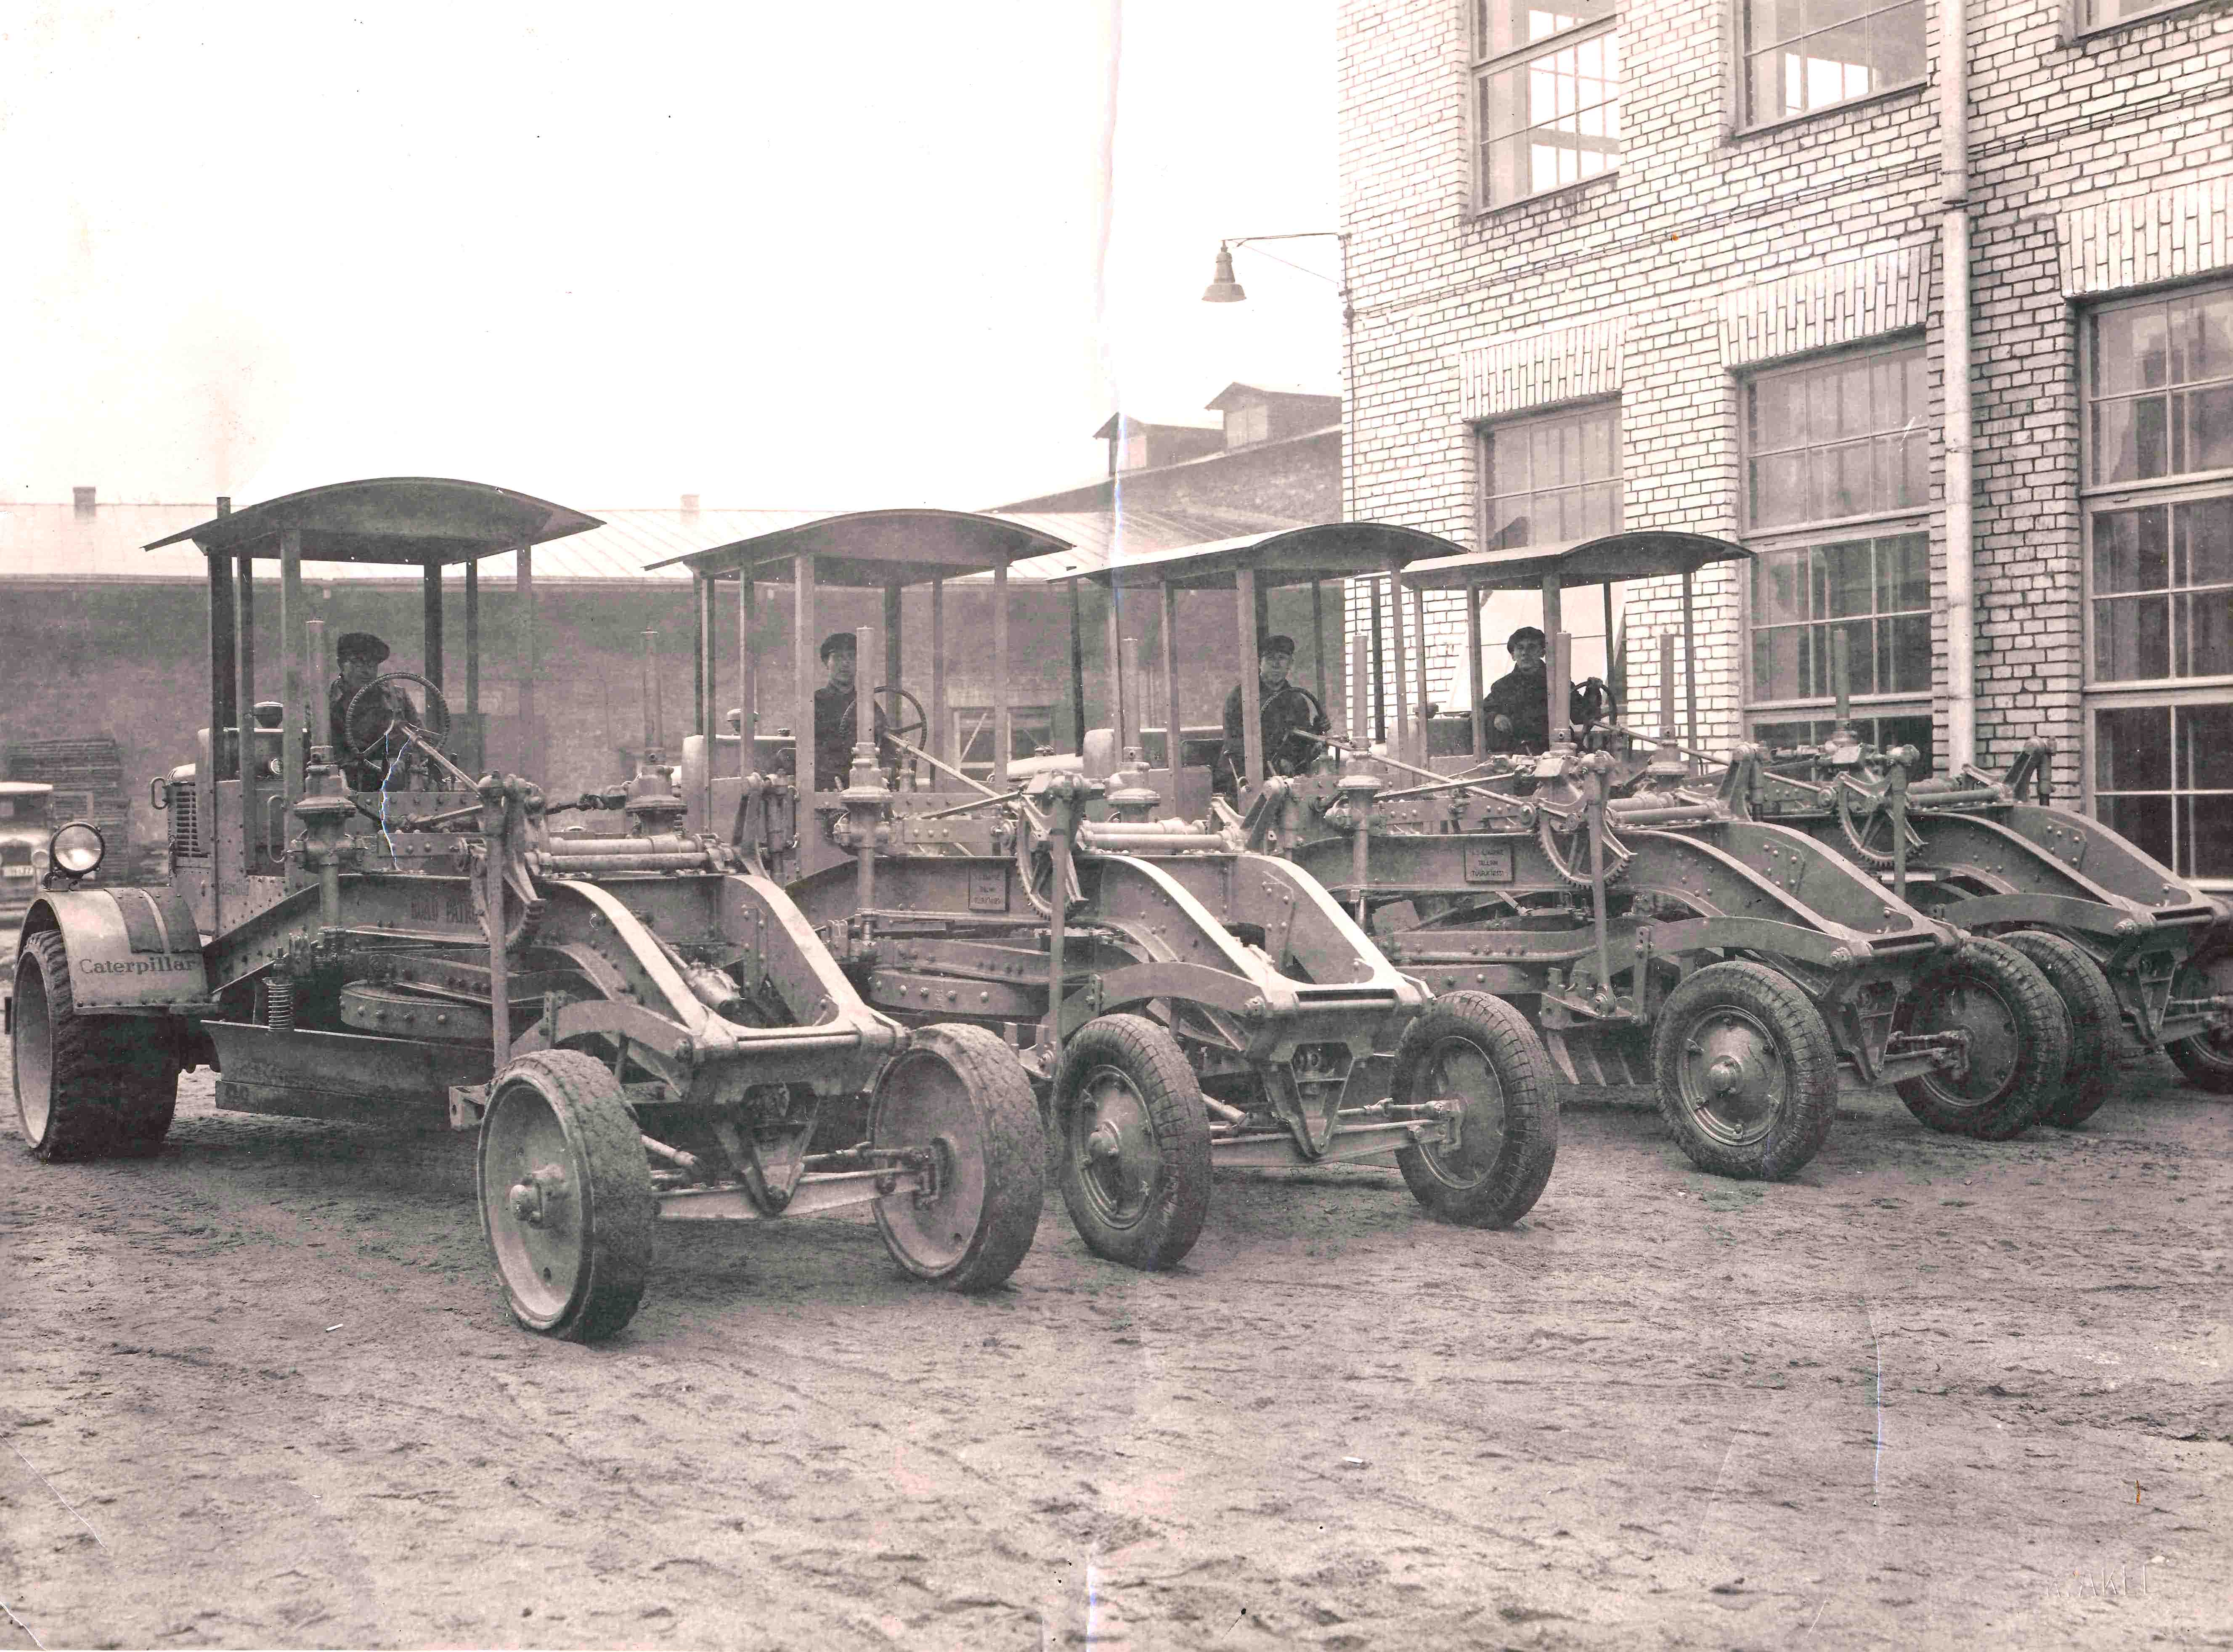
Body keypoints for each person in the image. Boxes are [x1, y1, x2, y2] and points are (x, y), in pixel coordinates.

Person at [1219, 634, 1329, 794]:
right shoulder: (1240, 698)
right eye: (1270, 658)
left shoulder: (1297, 700)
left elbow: (1300, 744)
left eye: (1282, 658)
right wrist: (1276, 761)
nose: (1276, 665)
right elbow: (1234, 743)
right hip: (1242, 774)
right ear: (1259, 663)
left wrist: (1316, 732)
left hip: (1283, 776)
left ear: (1290, 664)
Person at [327, 632, 421, 788]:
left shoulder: (397, 697)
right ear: (341, 665)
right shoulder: (325, 705)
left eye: (372, 665)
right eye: (358, 664)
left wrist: (403, 760)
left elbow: (421, 739)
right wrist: (374, 766)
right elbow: (331, 757)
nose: (367, 671)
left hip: (398, 785)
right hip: (349, 787)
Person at [811, 631, 891, 791]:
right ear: (827, 662)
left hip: (867, 786)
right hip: (827, 788)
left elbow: (887, 743)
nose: (845, 664)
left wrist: (888, 766)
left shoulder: (869, 705)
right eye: (839, 658)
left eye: (851, 658)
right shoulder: (815, 703)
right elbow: (812, 756)